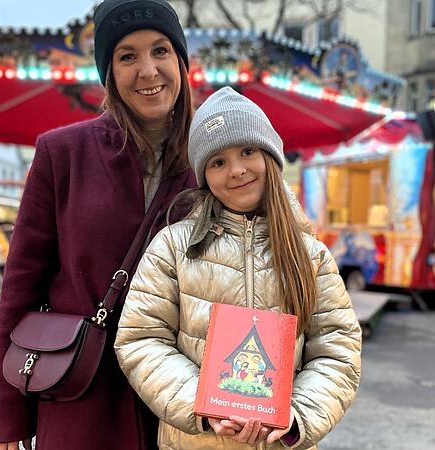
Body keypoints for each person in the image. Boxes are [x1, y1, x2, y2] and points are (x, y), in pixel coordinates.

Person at [0, 0, 196, 448]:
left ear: (180, 60)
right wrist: (8, 415)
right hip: (82, 397)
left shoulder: (215, 160)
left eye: (160, 50)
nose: (148, 70)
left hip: (182, 400)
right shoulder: (62, 154)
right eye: (127, 56)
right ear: (108, 73)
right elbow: (20, 286)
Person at [115, 87, 362, 449]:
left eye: (247, 151)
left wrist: (298, 417)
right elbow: (141, 339)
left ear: (269, 157)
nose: (237, 170)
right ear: (204, 175)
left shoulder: (310, 256)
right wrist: (203, 405)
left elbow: (337, 350)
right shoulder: (173, 248)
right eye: (218, 162)